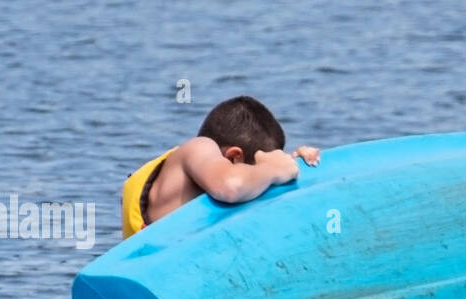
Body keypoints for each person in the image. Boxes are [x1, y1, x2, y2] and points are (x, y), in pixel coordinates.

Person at [121, 95, 321, 237]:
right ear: (234, 157)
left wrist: (292, 164)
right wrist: (275, 170)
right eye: (256, 170)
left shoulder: (202, 174)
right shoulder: (199, 148)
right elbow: (232, 187)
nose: (259, 183)